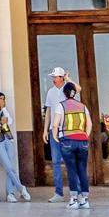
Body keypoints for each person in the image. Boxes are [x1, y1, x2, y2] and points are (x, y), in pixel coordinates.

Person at [50, 80, 91, 209]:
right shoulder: (83, 106)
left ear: (64, 93)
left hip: (67, 140)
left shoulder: (61, 106)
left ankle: (73, 200)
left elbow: (55, 124)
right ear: (74, 93)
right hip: (82, 140)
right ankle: (84, 200)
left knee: (71, 169)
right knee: (82, 169)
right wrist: (86, 135)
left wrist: (55, 136)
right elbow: (89, 124)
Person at [0, 92, 30, 202]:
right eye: (0, 98)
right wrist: (0, 123)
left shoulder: (4, 110)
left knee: (11, 167)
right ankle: (21, 188)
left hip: (8, 139)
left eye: (4, 99)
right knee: (8, 167)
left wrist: (4, 109)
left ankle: (10, 194)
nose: (2, 100)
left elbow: (11, 121)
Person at [40, 66, 72, 201]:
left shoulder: (69, 90)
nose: (53, 79)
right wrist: (45, 130)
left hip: (67, 130)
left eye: (56, 77)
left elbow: (79, 90)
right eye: (52, 77)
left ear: (62, 77)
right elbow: (48, 111)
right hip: (53, 131)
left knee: (70, 161)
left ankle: (75, 192)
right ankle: (58, 193)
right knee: (56, 162)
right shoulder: (50, 92)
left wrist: (69, 80)